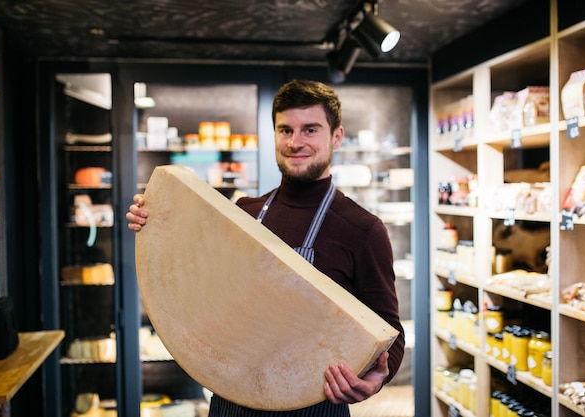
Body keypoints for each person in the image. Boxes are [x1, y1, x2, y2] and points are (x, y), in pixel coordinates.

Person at [126, 79, 405, 416]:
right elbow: (202, 286)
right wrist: (158, 224)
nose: (295, 142)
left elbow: (391, 334)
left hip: (315, 404)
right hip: (231, 401)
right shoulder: (244, 212)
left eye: (310, 130)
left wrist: (376, 379)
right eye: (285, 130)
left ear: (337, 136)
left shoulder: (363, 230)